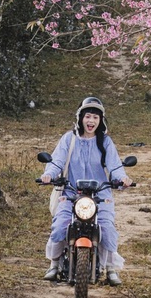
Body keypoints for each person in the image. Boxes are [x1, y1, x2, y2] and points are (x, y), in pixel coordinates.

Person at [41, 95, 128, 285]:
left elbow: (114, 166)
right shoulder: (69, 139)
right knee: (60, 226)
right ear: (80, 117)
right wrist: (49, 174)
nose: (91, 121)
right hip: (71, 193)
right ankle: (54, 264)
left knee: (106, 228)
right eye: (88, 116)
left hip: (100, 195)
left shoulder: (105, 142)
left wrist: (122, 178)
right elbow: (57, 162)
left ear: (100, 120)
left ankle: (111, 268)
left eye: (95, 117)